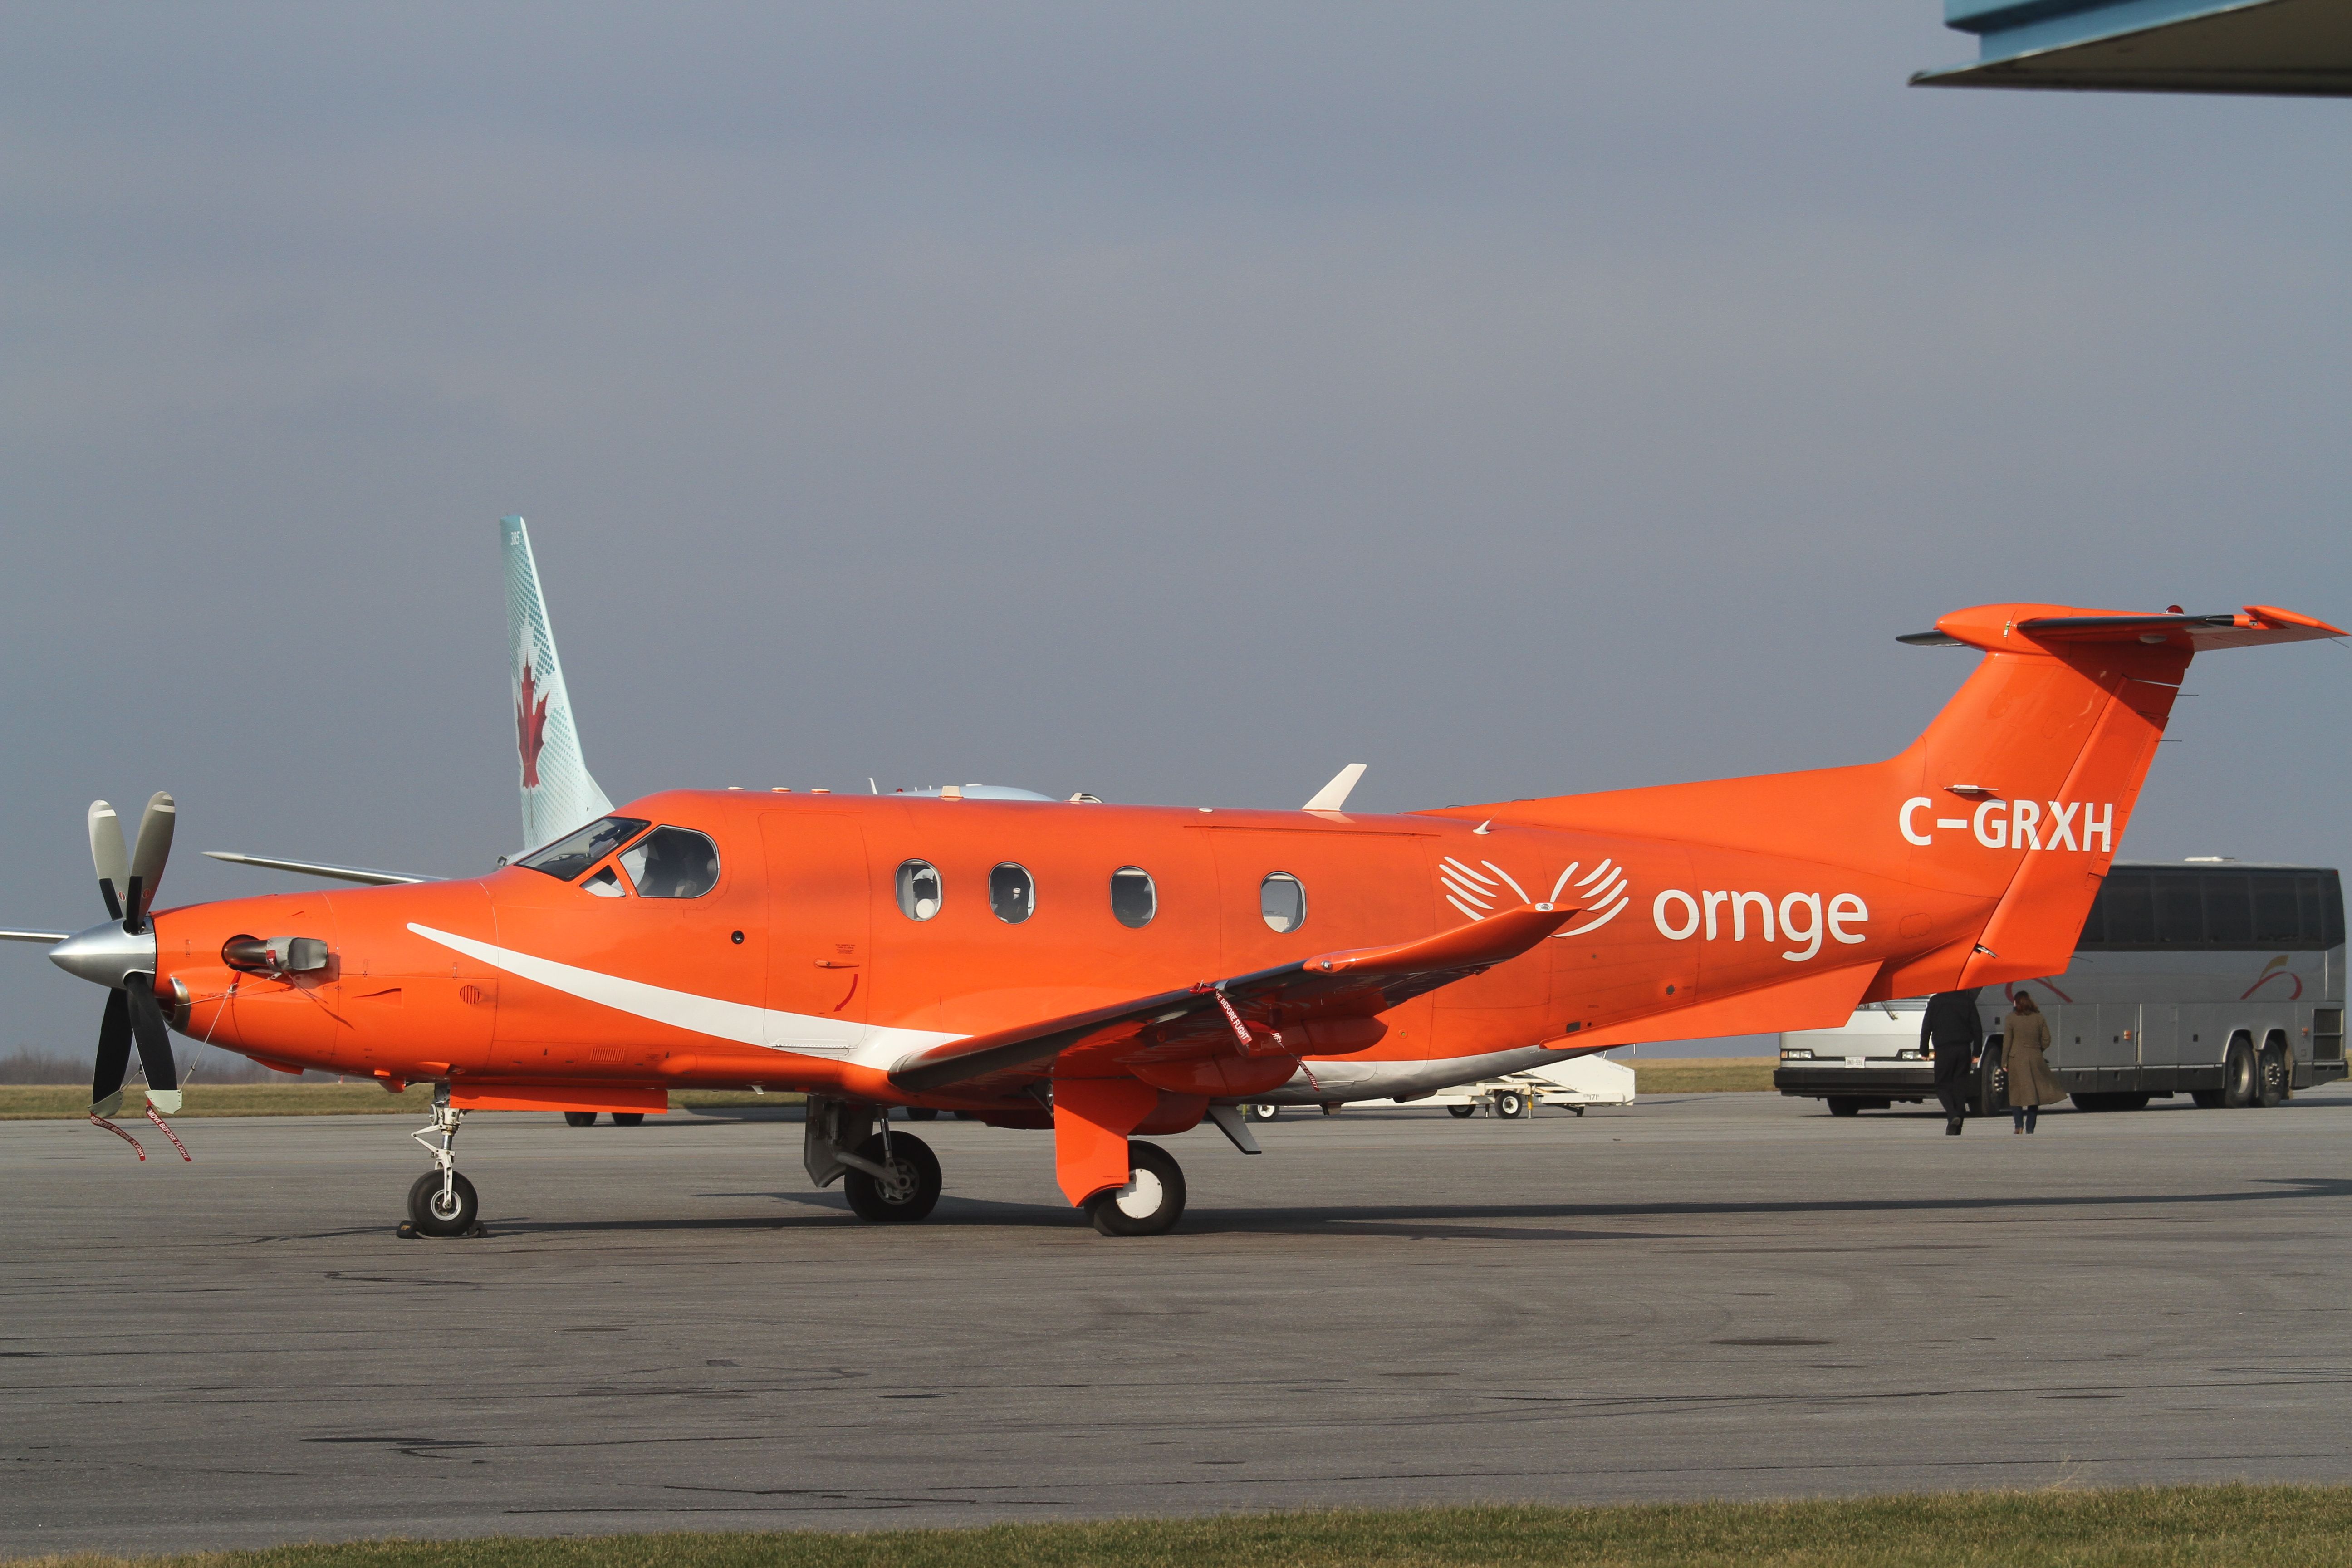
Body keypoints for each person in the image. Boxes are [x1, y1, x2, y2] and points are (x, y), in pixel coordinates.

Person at [1920, 988, 1984, 1135]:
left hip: (1944, 1050)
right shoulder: (1967, 1001)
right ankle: (1955, 1125)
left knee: (1942, 1085)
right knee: (1960, 1085)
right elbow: (1977, 1028)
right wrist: (1977, 1052)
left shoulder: (1935, 1001)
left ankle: (1953, 1114)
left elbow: (1927, 1028)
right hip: (1963, 1049)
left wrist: (1924, 1050)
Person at [2002, 990, 2063, 1134]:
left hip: (2016, 1059)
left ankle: (2018, 1125)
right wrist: (2037, 1050)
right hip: (2035, 1058)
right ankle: (2030, 1128)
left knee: (2016, 1093)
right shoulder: (2039, 1018)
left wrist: (2004, 1061)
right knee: (2034, 1095)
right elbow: (2047, 1039)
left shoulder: (2011, 1019)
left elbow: (2007, 1042)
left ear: (2017, 1003)